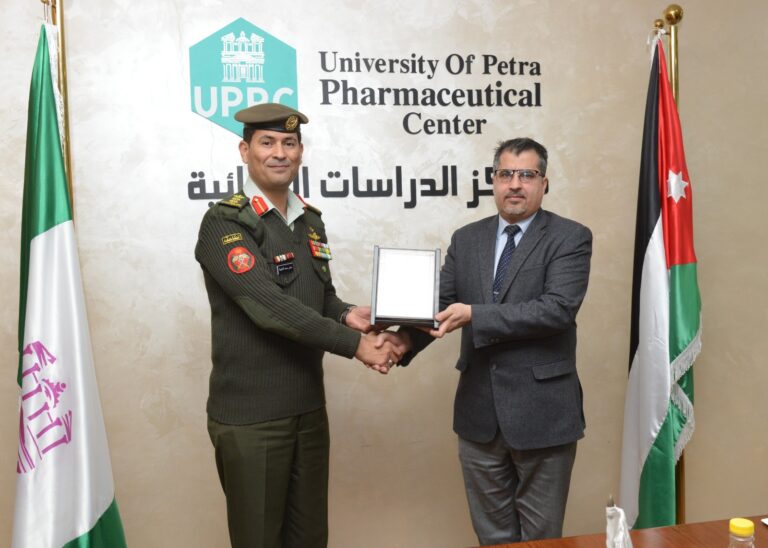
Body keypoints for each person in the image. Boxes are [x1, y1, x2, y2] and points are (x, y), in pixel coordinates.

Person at [195, 103, 399, 548]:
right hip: (252, 419)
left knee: (310, 539)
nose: (279, 153)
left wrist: (348, 315)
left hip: (307, 410)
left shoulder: (309, 221)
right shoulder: (224, 222)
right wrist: (355, 345)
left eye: (289, 143)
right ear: (245, 151)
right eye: (267, 143)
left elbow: (317, 297)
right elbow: (269, 307)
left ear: (300, 152)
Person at [381, 138, 592, 544]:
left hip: (543, 415)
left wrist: (476, 315)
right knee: (492, 537)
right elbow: (440, 305)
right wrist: (403, 340)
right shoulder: (467, 239)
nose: (515, 184)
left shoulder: (569, 237)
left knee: (542, 539)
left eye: (527, 175)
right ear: (493, 181)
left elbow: (557, 309)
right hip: (478, 414)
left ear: (544, 183)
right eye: (505, 174)